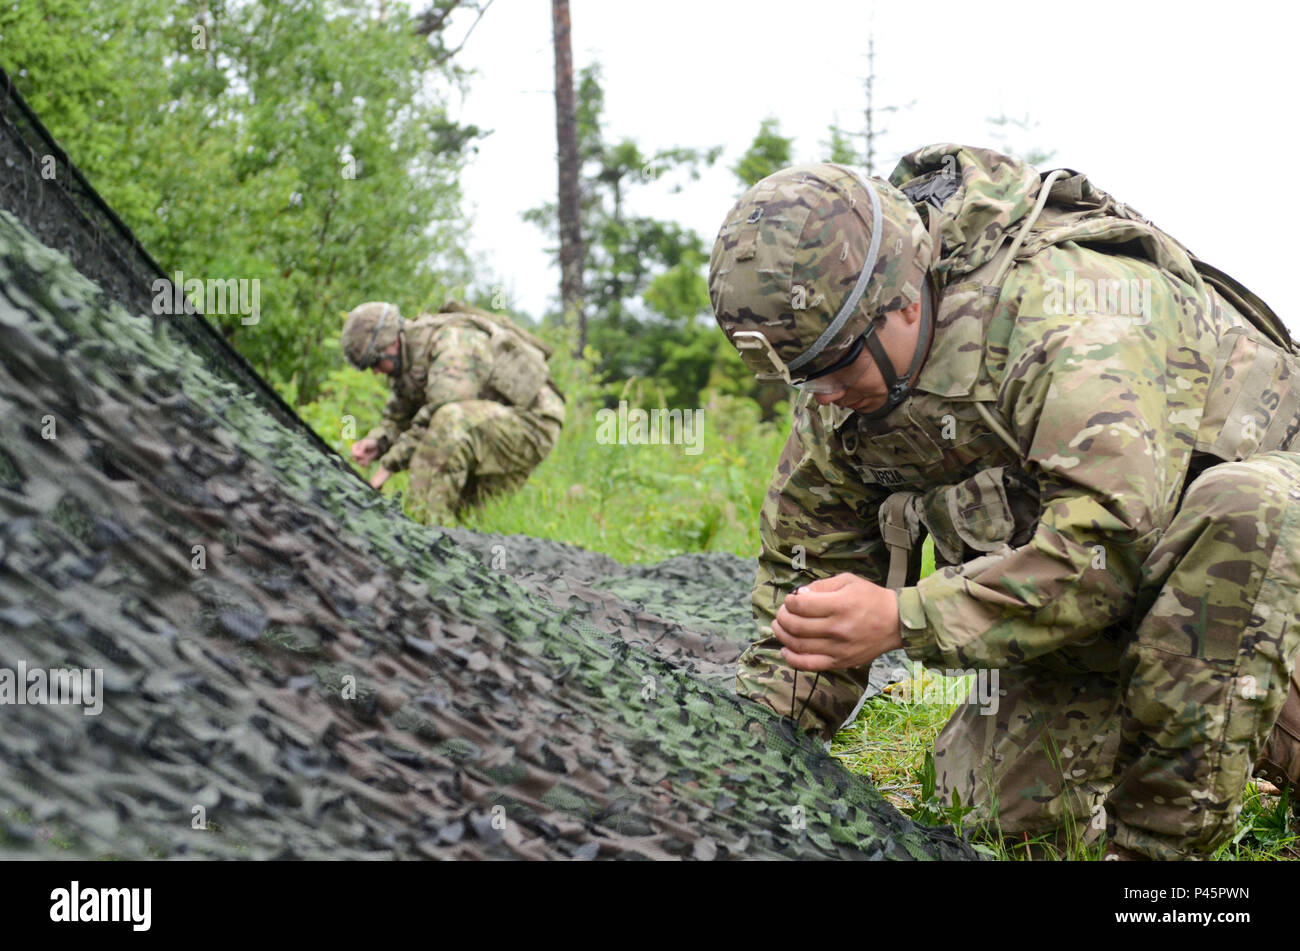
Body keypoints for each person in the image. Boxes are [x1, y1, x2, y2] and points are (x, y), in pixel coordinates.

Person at [707, 145, 1300, 860]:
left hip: (1250, 570)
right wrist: (733, 760)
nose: (822, 394)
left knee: (1244, 510)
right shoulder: (841, 377)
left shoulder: (1067, 315)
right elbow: (804, 601)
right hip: (1100, 608)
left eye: (832, 366)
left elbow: (1106, 554)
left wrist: (902, 618)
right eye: (802, 377)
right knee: (990, 814)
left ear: (898, 300)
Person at [341, 299, 564, 524]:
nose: (376, 372)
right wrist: (378, 443)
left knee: (447, 426)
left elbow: (442, 412)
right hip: (487, 422)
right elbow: (399, 418)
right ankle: (435, 535)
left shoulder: (453, 341)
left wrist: (388, 466)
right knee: (465, 518)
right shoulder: (406, 362)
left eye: (374, 362)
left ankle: (422, 541)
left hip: (532, 423)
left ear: (391, 344)